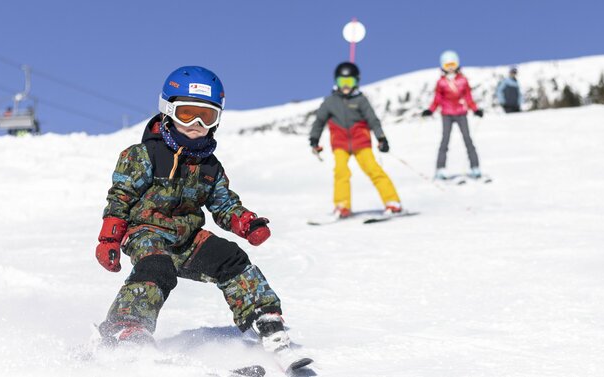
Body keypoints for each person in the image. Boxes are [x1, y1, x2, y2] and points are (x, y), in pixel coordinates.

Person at [94, 66, 311, 372]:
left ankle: (266, 322)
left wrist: (246, 223)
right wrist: (109, 238)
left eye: (206, 116)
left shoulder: (210, 166)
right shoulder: (142, 155)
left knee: (232, 259)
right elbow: (120, 198)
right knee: (156, 267)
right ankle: (126, 329)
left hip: (187, 238)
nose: (196, 124)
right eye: (187, 114)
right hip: (146, 232)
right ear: (168, 111)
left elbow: (223, 203)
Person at [309, 62, 403, 219]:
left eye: (349, 81)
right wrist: (314, 139)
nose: (346, 86)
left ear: (356, 81)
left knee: (373, 169)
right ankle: (342, 206)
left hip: (361, 142)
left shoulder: (361, 100)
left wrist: (381, 138)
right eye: (342, 82)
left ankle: (393, 202)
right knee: (341, 172)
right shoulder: (330, 102)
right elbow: (319, 122)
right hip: (340, 144)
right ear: (336, 82)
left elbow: (373, 120)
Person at [421, 50, 484, 180]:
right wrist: (431, 110)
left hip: (461, 113)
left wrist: (475, 109)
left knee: (467, 139)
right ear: (443, 66)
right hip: (447, 114)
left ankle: (475, 167)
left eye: (452, 64)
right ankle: (440, 170)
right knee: (445, 140)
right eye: (447, 65)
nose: (450, 68)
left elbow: (468, 97)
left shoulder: (463, 80)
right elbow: (437, 99)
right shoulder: (441, 82)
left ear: (457, 64)